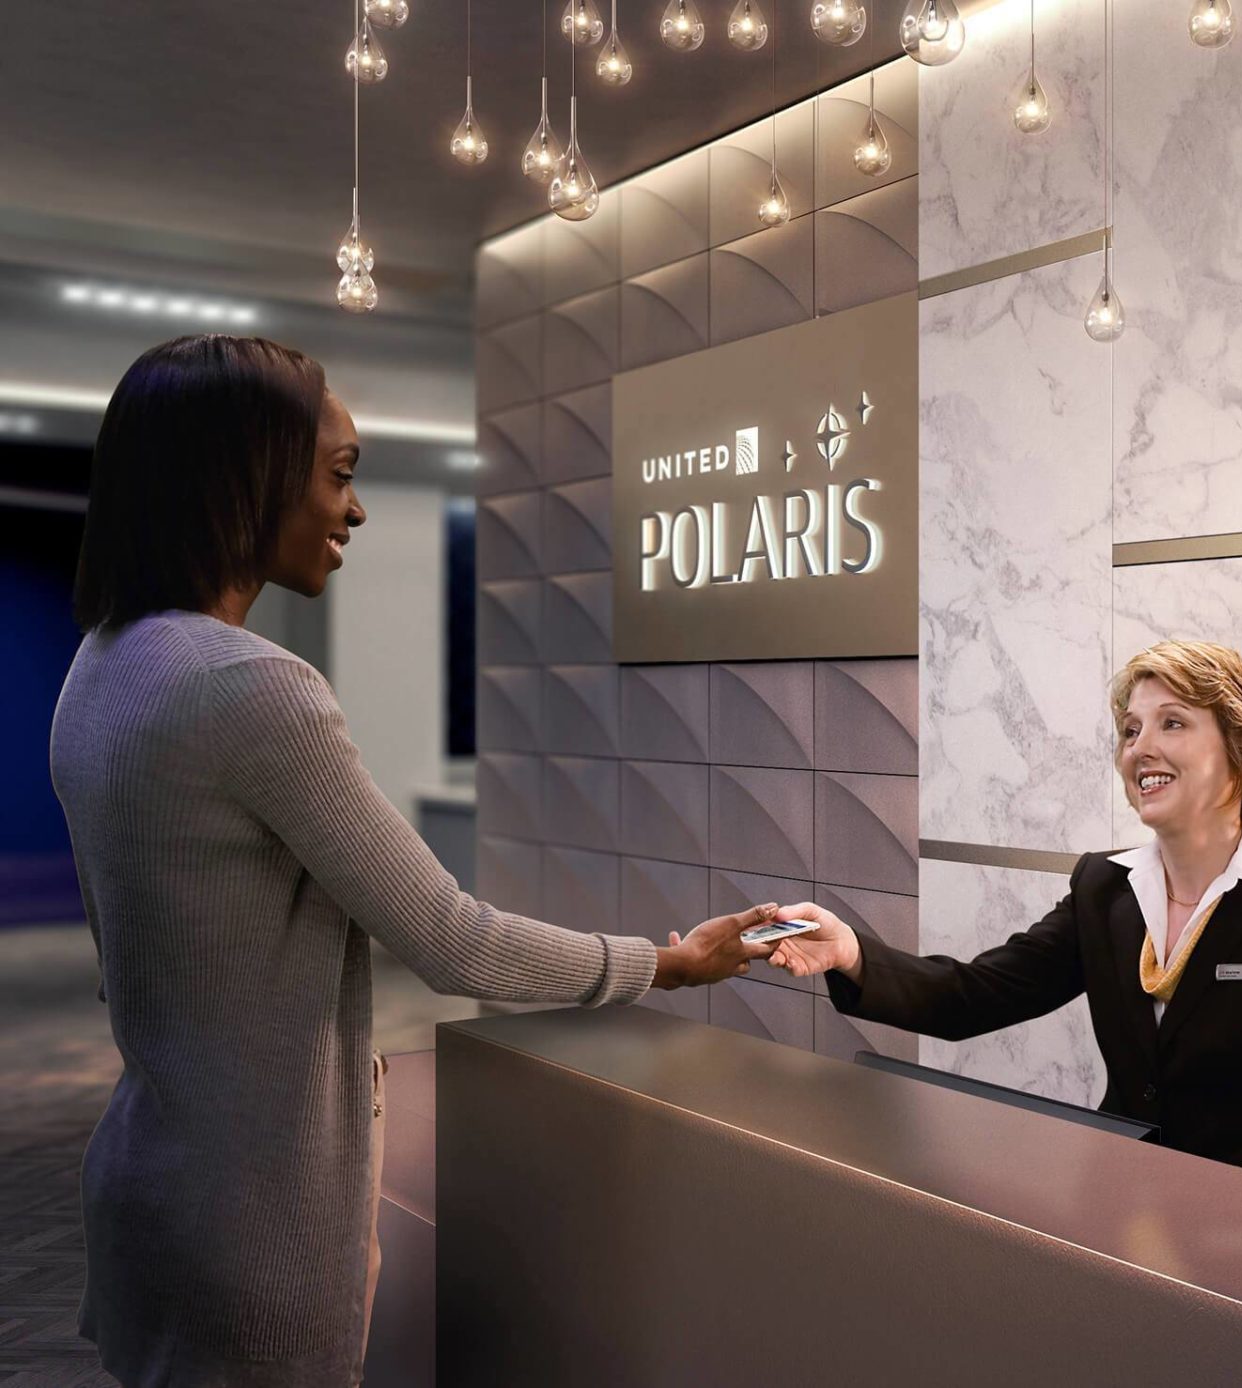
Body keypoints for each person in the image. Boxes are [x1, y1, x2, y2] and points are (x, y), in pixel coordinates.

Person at [49, 334, 776, 1388]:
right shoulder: (256, 687)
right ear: (245, 474)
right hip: (258, 1223)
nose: (355, 510)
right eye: (338, 475)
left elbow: (143, 960)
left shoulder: (100, 664)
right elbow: (452, 937)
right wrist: (669, 962)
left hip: (148, 1195)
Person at [769, 641, 1242, 1193]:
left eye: (1173, 723)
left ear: (1240, 757)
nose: (1140, 747)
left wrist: (1170, 1219)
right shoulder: (1103, 888)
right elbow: (973, 996)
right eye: (1131, 729)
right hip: (1123, 1208)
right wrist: (851, 952)